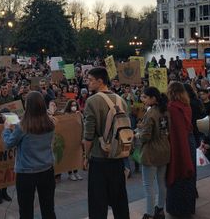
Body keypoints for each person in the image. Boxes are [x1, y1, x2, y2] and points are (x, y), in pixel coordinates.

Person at [83, 67, 130, 219]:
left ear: (100, 81)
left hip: (99, 156)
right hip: (118, 155)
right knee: (120, 200)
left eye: (90, 80)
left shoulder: (92, 101)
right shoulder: (121, 99)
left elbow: (88, 135)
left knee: (98, 202)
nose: (87, 83)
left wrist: (86, 155)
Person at [2, 91, 56, 219]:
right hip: (47, 169)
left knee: (26, 211)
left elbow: (9, 143)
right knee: (48, 208)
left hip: (26, 173)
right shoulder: (50, 123)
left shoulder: (22, 126)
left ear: (28, 106)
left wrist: (6, 129)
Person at [136, 87, 170, 219]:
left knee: (148, 184)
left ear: (153, 98)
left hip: (151, 152)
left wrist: (137, 135)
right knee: (161, 183)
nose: (142, 99)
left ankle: (149, 214)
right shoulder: (166, 111)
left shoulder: (150, 114)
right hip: (165, 149)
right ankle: (160, 210)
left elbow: (145, 137)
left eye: (145, 97)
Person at [166, 82, 196, 217]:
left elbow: (176, 130)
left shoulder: (172, 107)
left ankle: (178, 210)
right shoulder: (186, 105)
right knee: (189, 176)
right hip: (189, 141)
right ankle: (188, 208)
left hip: (179, 144)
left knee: (179, 172)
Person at [64, 99, 83, 181]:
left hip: (76, 137)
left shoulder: (78, 114)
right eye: (72, 105)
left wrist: (80, 115)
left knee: (76, 155)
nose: (74, 107)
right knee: (69, 156)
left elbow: (82, 123)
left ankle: (76, 172)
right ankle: (70, 173)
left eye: (75, 105)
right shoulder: (66, 114)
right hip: (68, 137)